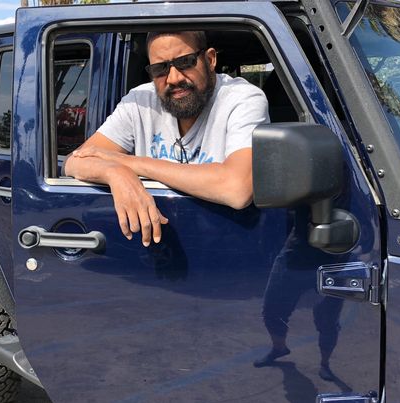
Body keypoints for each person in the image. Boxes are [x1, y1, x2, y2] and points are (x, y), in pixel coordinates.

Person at [64, 30, 269, 246]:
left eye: (185, 62)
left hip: (227, 246)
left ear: (210, 60)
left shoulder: (242, 99)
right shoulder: (139, 101)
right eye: (160, 68)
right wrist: (114, 172)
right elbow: (74, 161)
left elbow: (237, 188)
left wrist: (130, 163)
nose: (174, 78)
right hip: (151, 250)